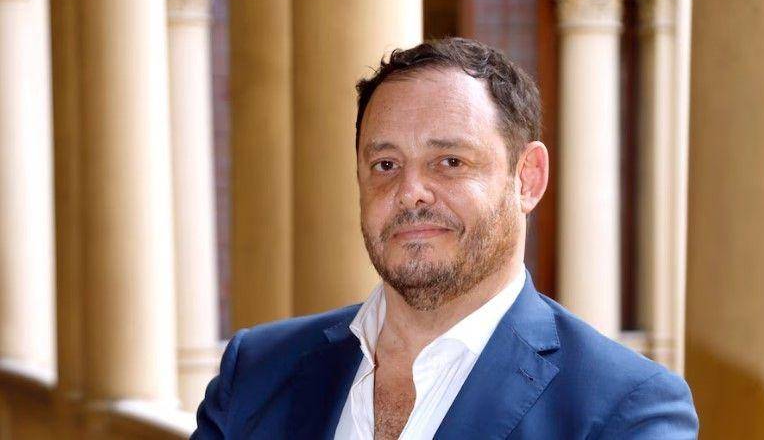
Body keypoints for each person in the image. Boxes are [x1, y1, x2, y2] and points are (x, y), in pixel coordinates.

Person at [192, 37, 698, 439]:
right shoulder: (257, 370)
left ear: (528, 178)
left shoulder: (625, 409)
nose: (410, 192)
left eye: (450, 162)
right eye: (385, 164)